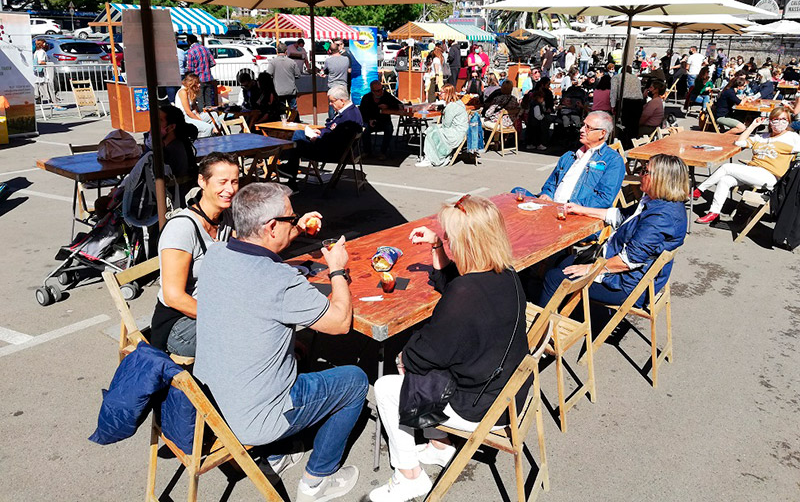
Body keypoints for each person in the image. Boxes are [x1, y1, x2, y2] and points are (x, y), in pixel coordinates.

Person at [194, 183, 367, 502]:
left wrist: (292, 229)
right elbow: (341, 323)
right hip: (254, 418)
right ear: (271, 226)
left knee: (297, 350)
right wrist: (338, 269)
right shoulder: (281, 280)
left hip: (209, 401)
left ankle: (279, 453)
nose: (296, 220)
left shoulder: (216, 253)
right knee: (354, 381)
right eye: (291, 217)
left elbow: (256, 274)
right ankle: (318, 480)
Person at [368, 195, 530, 502]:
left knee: (389, 385)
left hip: (480, 406)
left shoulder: (465, 294)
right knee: (432, 361)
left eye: (448, 237)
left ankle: (409, 477)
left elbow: (421, 355)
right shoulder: (507, 274)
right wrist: (437, 245)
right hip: (508, 390)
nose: (445, 240)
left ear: (465, 244)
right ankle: (439, 446)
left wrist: (406, 355)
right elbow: (454, 287)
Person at [540, 154, 688, 307]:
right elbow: (621, 215)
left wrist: (590, 269)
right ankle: (560, 312)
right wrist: (581, 209)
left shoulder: (661, 217)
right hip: (626, 272)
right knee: (562, 261)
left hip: (626, 285)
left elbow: (629, 260)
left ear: (661, 179)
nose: (640, 174)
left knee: (554, 278)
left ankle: (542, 328)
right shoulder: (658, 203)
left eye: (645, 170)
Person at [150, 152, 239, 357]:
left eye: (234, 182)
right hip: (179, 325)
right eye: (222, 182)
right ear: (202, 181)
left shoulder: (227, 218)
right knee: (250, 332)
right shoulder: (181, 228)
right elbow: (174, 297)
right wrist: (221, 317)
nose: (230, 189)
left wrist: (296, 228)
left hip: (215, 308)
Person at [694, 107, 800, 224]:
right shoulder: (761, 137)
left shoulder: (792, 138)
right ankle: (713, 212)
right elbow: (739, 142)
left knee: (726, 167)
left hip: (770, 176)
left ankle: (699, 189)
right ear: (770, 121)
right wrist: (752, 126)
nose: (780, 122)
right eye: (776, 119)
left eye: (784, 119)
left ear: (789, 121)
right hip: (752, 171)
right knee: (725, 180)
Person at [281, 85, 364, 189]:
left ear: (342, 101)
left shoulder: (348, 118)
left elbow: (335, 141)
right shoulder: (349, 111)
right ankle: (291, 173)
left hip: (332, 152)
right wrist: (320, 132)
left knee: (297, 143)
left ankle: (291, 175)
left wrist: (316, 140)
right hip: (334, 147)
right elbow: (332, 129)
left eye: (332, 101)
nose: (330, 104)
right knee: (299, 134)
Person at [538, 111, 625, 207]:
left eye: (588, 127)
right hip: (552, 206)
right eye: (583, 125)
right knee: (519, 192)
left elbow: (604, 198)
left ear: (602, 133)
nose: (582, 130)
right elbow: (551, 183)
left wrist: (574, 206)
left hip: (578, 213)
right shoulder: (570, 155)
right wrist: (546, 194)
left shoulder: (613, 160)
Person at [416, 85, 469, 167]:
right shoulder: (458, 102)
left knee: (431, 132)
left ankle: (433, 158)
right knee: (431, 129)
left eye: (442, 92)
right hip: (461, 131)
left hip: (455, 134)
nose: (440, 94)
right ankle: (431, 156)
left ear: (448, 93)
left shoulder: (451, 106)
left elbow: (446, 125)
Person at [159, 104, 199, 205]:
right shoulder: (178, 145)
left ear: (171, 127)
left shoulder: (172, 150)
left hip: (174, 203)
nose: (153, 124)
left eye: (159, 121)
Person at [360, 80, 401, 159]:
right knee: (365, 129)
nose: (381, 92)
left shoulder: (386, 96)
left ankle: (383, 152)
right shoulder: (366, 98)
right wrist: (369, 120)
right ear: (372, 91)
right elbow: (362, 113)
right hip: (370, 121)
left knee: (389, 128)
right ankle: (367, 151)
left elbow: (398, 104)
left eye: (382, 89)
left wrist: (388, 106)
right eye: (378, 91)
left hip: (383, 121)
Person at [175, 73, 217, 138]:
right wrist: (200, 121)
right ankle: (202, 141)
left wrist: (198, 116)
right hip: (185, 118)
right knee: (207, 127)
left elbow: (195, 108)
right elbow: (188, 111)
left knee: (214, 114)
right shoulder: (183, 92)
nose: (199, 84)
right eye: (197, 83)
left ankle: (215, 132)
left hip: (192, 115)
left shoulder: (191, 91)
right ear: (192, 83)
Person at [611, 67, 644, 148]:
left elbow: (613, 92)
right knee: (634, 126)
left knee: (623, 126)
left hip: (625, 101)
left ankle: (622, 146)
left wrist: (613, 105)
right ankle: (632, 145)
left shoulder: (617, 77)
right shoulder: (636, 79)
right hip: (638, 102)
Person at [267, 42, 302, 114]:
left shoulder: (273, 62)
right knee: (293, 109)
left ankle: (283, 123)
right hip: (291, 90)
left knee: (281, 110)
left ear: (277, 51)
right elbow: (298, 75)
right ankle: (295, 121)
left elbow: (268, 75)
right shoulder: (292, 62)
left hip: (278, 90)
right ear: (286, 51)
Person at [184, 34, 217, 110]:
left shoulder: (191, 52)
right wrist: (206, 67)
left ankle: (203, 118)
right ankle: (211, 117)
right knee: (209, 101)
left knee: (200, 101)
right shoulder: (205, 49)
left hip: (198, 80)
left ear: (189, 42)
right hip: (208, 78)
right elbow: (213, 62)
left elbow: (190, 69)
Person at [33, 38, 58, 108]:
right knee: (49, 89)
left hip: (38, 74)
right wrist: (50, 63)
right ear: (43, 44)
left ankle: (51, 102)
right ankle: (54, 104)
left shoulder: (36, 52)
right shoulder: (42, 52)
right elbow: (40, 62)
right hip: (43, 74)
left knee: (40, 88)